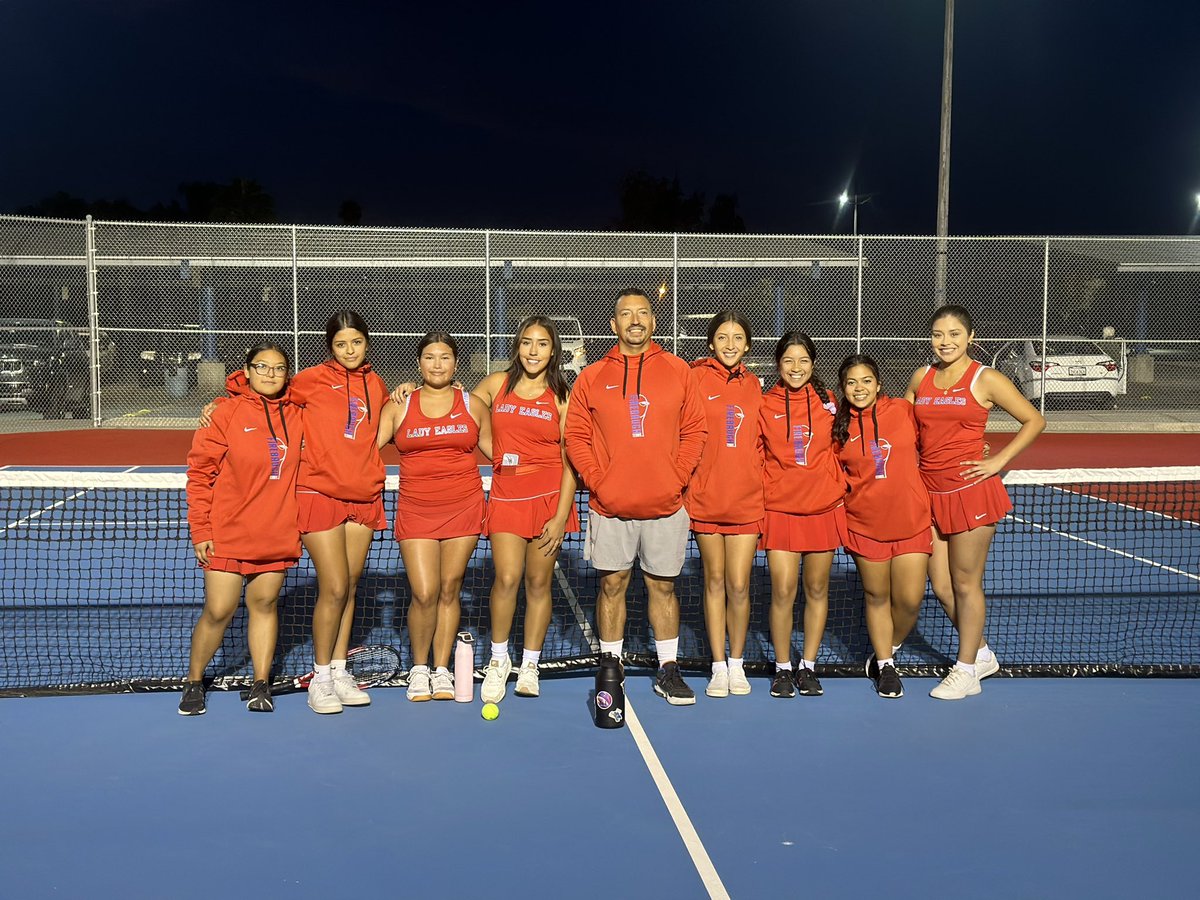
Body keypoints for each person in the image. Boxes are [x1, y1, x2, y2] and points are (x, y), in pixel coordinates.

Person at [207, 311, 393, 714]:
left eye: (356, 342)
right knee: (335, 585)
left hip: (363, 495)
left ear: (367, 343)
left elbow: (386, 418)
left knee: (353, 586)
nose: (349, 350)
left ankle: (341, 669)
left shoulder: (376, 384)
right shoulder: (309, 380)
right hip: (318, 492)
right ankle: (320, 676)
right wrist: (224, 400)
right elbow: (264, 388)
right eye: (341, 344)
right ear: (330, 346)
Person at [565, 288, 707, 706]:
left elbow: (695, 430)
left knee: (663, 588)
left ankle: (668, 669)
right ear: (613, 325)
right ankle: (611, 667)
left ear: (653, 321)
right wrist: (597, 480)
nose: (635, 320)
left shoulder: (679, 371)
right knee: (612, 585)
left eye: (642, 313)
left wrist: (676, 478)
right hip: (610, 507)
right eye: (625, 314)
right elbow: (576, 435)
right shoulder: (591, 376)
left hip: (666, 507)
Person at [905, 304, 1045, 700]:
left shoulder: (987, 379)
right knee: (942, 584)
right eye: (937, 334)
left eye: (953, 334)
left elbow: (1034, 420)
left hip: (971, 492)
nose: (945, 342)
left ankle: (965, 669)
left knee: (967, 584)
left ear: (969, 337)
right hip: (928, 492)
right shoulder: (922, 377)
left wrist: (998, 459)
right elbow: (904, 427)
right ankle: (981, 653)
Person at [180, 343, 304, 715]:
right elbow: (200, 475)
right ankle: (193, 681)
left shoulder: (299, 412)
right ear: (246, 371)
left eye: (279, 368)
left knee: (264, 605)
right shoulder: (224, 414)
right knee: (219, 610)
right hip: (228, 531)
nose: (269, 373)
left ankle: (260, 683)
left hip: (277, 530)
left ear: (287, 374)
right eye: (261, 366)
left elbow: (324, 394)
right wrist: (201, 530)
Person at [377, 332, 491, 701]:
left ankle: (442, 670)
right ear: (419, 362)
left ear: (455, 364)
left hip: (464, 506)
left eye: (444, 357)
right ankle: (419, 668)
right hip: (416, 509)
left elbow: (499, 450)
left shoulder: (473, 404)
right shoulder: (399, 405)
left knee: (449, 588)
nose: (437, 364)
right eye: (429, 357)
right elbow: (360, 448)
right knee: (424, 592)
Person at [473, 316, 579, 703]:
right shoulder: (496, 384)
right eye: (526, 343)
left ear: (553, 351)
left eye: (542, 344)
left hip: (550, 500)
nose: (533, 351)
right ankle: (498, 660)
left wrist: (560, 515)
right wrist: (493, 451)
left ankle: (530, 664)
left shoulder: (562, 396)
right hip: (505, 497)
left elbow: (571, 461)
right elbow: (460, 406)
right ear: (517, 347)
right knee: (506, 579)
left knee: (538, 584)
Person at [833, 354, 931, 700]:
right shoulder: (839, 428)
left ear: (879, 383)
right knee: (877, 597)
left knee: (909, 600)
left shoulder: (904, 412)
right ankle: (887, 667)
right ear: (843, 388)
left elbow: (938, 437)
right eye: (851, 383)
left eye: (866, 381)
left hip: (912, 522)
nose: (859, 389)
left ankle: (887, 645)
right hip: (864, 525)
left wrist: (974, 447)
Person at [757, 332, 846, 699]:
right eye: (789, 361)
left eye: (804, 361)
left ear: (813, 363)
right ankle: (782, 668)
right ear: (779, 364)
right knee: (782, 590)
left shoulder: (828, 401)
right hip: (780, 511)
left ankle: (807, 666)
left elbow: (845, 445)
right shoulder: (764, 404)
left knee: (817, 589)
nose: (796, 368)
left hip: (822, 510)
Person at [685, 311, 764, 698]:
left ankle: (738, 663)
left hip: (747, 502)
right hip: (705, 499)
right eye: (722, 337)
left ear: (747, 344)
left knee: (739, 583)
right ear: (711, 343)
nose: (730, 344)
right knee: (714, 581)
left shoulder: (756, 386)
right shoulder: (696, 377)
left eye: (737, 337)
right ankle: (718, 666)